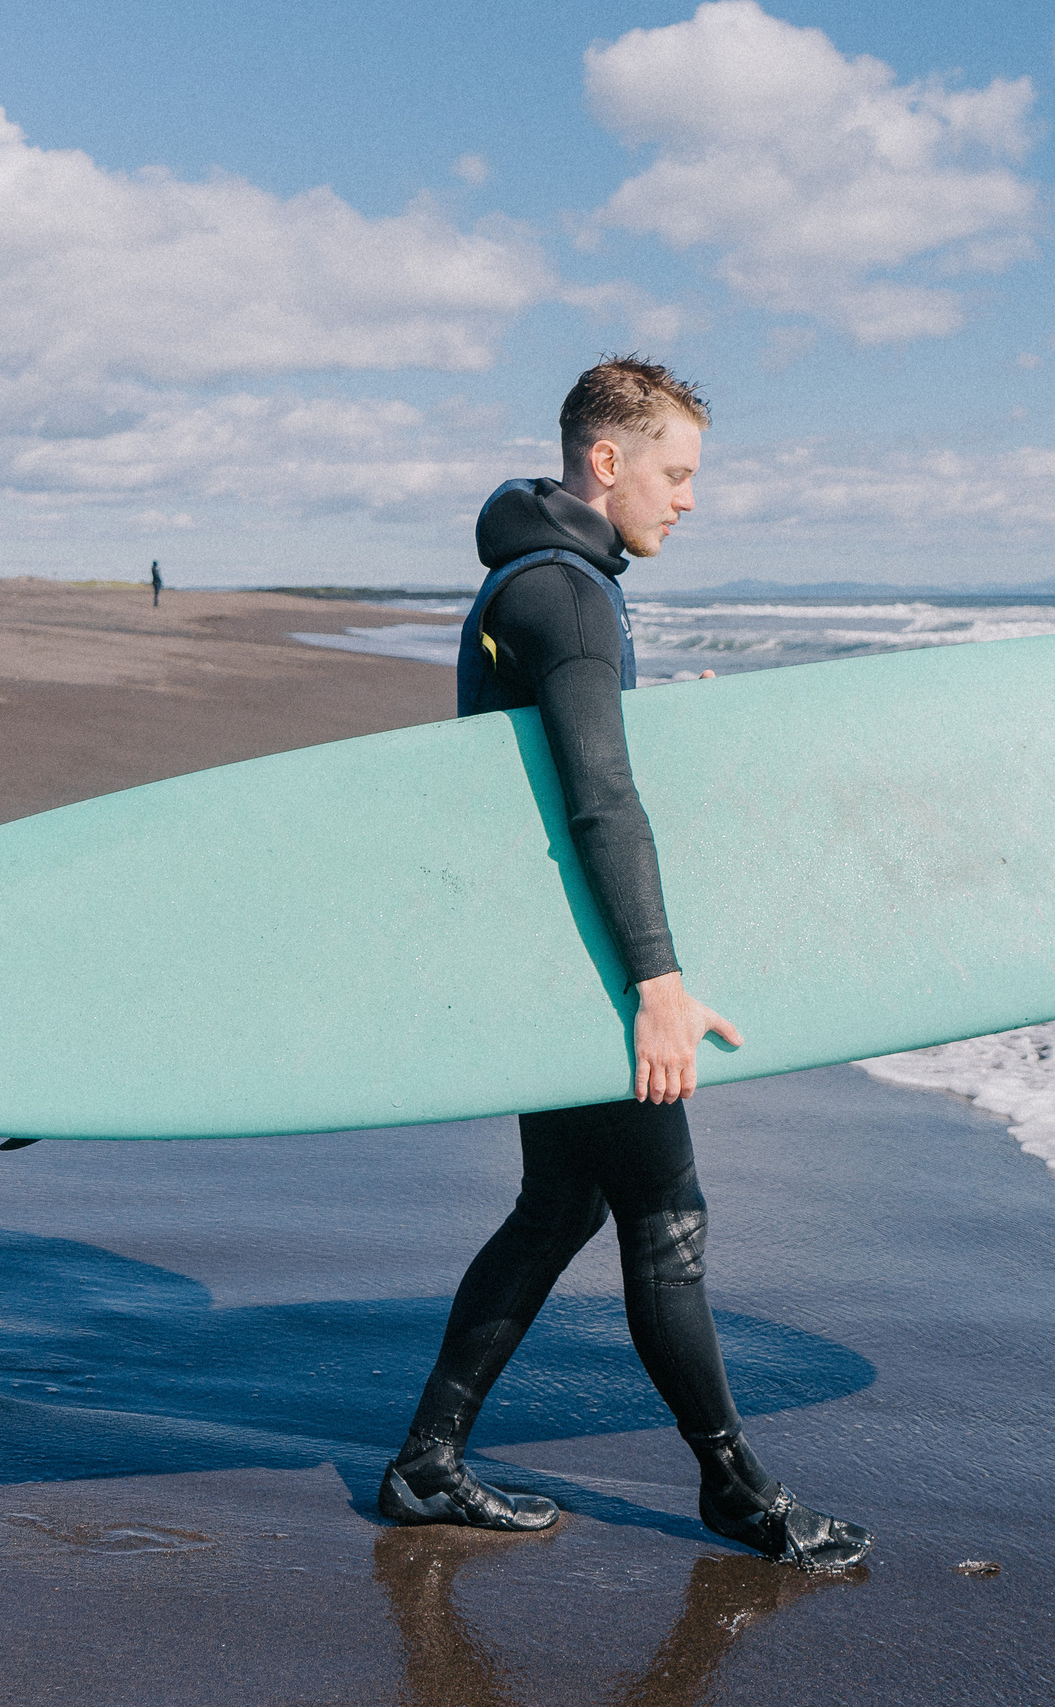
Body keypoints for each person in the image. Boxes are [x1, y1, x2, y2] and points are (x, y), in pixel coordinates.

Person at [378, 357, 871, 1572]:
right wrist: (658, 986)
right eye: (677, 471)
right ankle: (738, 1494)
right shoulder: (576, 597)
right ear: (607, 462)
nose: (689, 499)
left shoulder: (525, 578)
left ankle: (426, 1462)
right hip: (586, 965)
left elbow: (556, 759)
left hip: (537, 949)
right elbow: (598, 802)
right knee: (665, 1216)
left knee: (560, 1205)